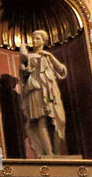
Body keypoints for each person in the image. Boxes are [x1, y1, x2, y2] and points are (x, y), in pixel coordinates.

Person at [19, 29, 67, 157]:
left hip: (51, 91)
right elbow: (24, 60)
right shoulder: (30, 57)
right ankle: (49, 154)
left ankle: (56, 153)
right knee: (41, 122)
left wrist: (50, 56)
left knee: (60, 120)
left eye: (37, 38)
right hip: (36, 90)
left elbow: (62, 70)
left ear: (44, 41)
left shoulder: (47, 56)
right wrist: (22, 46)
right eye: (33, 38)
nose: (34, 41)